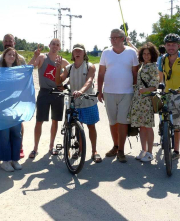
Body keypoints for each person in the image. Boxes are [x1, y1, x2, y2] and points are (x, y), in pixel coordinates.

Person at [55, 43, 102, 163]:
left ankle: (94, 151)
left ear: (84, 53)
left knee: (91, 126)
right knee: (78, 127)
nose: (77, 52)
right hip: (75, 102)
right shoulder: (69, 68)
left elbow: (89, 80)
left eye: (80, 51)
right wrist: (57, 68)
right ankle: (80, 150)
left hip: (88, 101)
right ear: (72, 53)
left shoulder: (89, 66)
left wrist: (80, 91)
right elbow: (58, 81)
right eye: (75, 51)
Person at [98, 29, 138, 163]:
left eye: (116, 37)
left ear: (123, 38)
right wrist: (99, 89)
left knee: (122, 122)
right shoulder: (106, 52)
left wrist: (135, 90)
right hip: (108, 92)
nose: (113, 40)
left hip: (127, 93)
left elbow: (135, 74)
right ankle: (115, 146)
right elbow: (101, 73)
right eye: (111, 37)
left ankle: (121, 149)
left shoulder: (131, 53)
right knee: (112, 121)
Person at [28, 39, 69, 158]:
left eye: (58, 45)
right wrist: (34, 56)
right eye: (53, 44)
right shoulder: (42, 57)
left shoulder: (62, 61)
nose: (55, 47)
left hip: (57, 93)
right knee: (39, 121)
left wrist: (65, 85)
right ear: (49, 45)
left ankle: (51, 146)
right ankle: (35, 148)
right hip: (44, 92)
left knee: (55, 120)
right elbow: (29, 67)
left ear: (60, 47)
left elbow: (72, 70)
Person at [127, 43, 159, 162]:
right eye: (144, 53)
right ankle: (143, 150)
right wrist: (130, 43)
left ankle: (150, 153)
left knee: (148, 127)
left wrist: (145, 90)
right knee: (142, 126)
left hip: (147, 100)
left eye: (148, 54)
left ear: (152, 55)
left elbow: (155, 85)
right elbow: (137, 50)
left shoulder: (153, 67)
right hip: (138, 100)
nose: (146, 56)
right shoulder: (143, 65)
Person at [0, 34, 26, 159]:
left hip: (16, 103)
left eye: (11, 41)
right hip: (2, 103)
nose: (8, 43)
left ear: (14, 43)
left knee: (16, 131)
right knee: (4, 133)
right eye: (6, 41)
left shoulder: (21, 59)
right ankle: (4, 159)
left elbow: (26, 75)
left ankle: (17, 153)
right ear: (3, 42)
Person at [0, 47, 22, 172]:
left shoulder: (19, 72)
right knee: (4, 135)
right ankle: (5, 161)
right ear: (4, 56)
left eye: (13, 54)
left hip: (16, 108)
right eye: (9, 54)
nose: (11, 56)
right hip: (3, 109)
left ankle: (15, 159)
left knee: (17, 134)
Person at [158, 33, 180, 160]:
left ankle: (176, 151)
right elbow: (160, 77)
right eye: (168, 45)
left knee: (177, 125)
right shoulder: (162, 59)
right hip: (167, 94)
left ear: (178, 45)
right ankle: (164, 132)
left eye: (173, 45)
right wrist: (159, 86)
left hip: (179, 94)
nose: (171, 47)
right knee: (165, 118)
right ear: (165, 46)